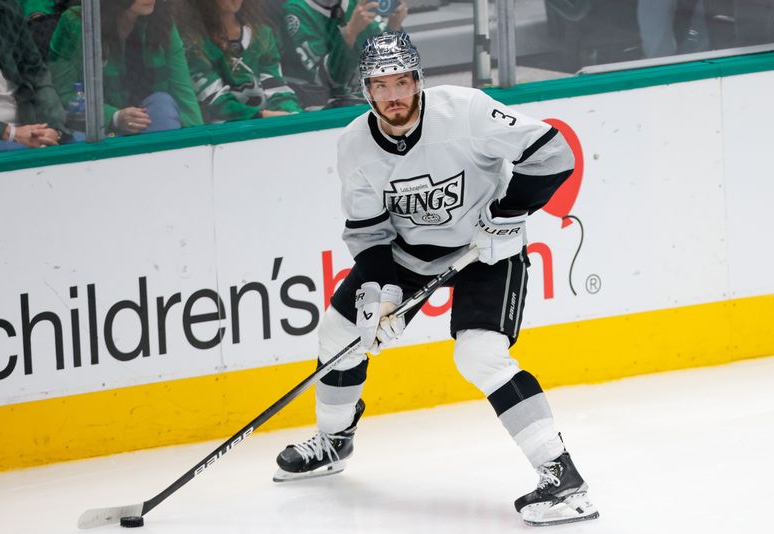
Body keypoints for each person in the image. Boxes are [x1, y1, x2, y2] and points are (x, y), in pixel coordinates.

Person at [272, 31, 599, 527]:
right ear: (366, 90)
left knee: (479, 353)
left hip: (489, 250)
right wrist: (381, 293)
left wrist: (507, 211)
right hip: (408, 255)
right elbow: (368, 230)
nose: (394, 95)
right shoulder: (355, 147)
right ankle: (333, 441)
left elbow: (555, 155)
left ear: (419, 80)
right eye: (381, 86)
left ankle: (564, 480)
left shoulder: (466, 112)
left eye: (403, 81)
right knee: (340, 335)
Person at [48, 0, 203, 136]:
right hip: (96, 133)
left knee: (162, 104)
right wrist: (114, 117)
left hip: (148, 124)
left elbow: (183, 92)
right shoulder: (76, 22)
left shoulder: (163, 21)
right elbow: (63, 95)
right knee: (80, 139)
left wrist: (201, 143)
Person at [0, 0, 76, 154]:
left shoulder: (7, 9)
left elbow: (36, 73)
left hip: (26, 126)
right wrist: (11, 133)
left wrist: (55, 129)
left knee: (86, 143)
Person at [177, 0, 301, 123]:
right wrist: (261, 116)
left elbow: (276, 86)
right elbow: (214, 101)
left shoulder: (262, 34)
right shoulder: (193, 42)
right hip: (223, 133)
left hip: (268, 121)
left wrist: (293, 113)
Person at [279, 0, 408, 109]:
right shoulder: (296, 10)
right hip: (323, 109)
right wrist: (350, 32)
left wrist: (394, 27)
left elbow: (392, 66)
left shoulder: (357, 4)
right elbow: (326, 80)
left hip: (368, 100)